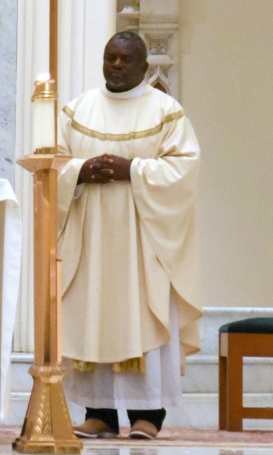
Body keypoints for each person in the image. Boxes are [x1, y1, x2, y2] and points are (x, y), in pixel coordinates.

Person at [59, 31, 201, 440]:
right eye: (110, 58)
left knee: (143, 314)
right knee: (92, 315)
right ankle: (99, 413)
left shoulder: (165, 111)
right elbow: (53, 160)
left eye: (126, 60)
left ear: (144, 66)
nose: (116, 66)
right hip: (90, 237)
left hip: (143, 238)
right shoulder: (77, 109)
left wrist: (133, 170)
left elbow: (184, 169)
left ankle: (148, 416)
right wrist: (80, 172)